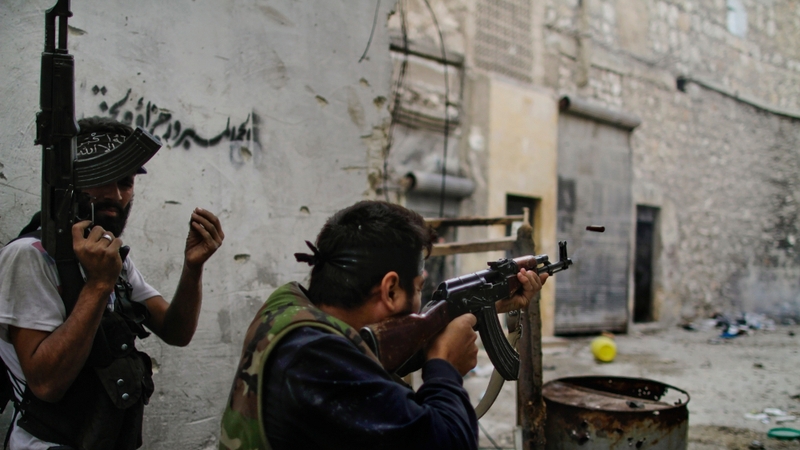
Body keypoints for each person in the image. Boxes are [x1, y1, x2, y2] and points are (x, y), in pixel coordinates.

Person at [219, 200, 546, 450]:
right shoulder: (314, 359)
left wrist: (485, 307)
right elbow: (449, 441)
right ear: (390, 290)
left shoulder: (289, 310)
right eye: (418, 287)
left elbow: (365, 351)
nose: (420, 299)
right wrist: (444, 366)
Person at [0, 116, 225, 450]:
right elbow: (46, 385)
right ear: (70, 182)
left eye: (126, 182)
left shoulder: (112, 258)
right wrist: (98, 285)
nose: (116, 195)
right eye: (102, 179)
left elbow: (176, 331)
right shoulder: (29, 256)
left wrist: (193, 267)